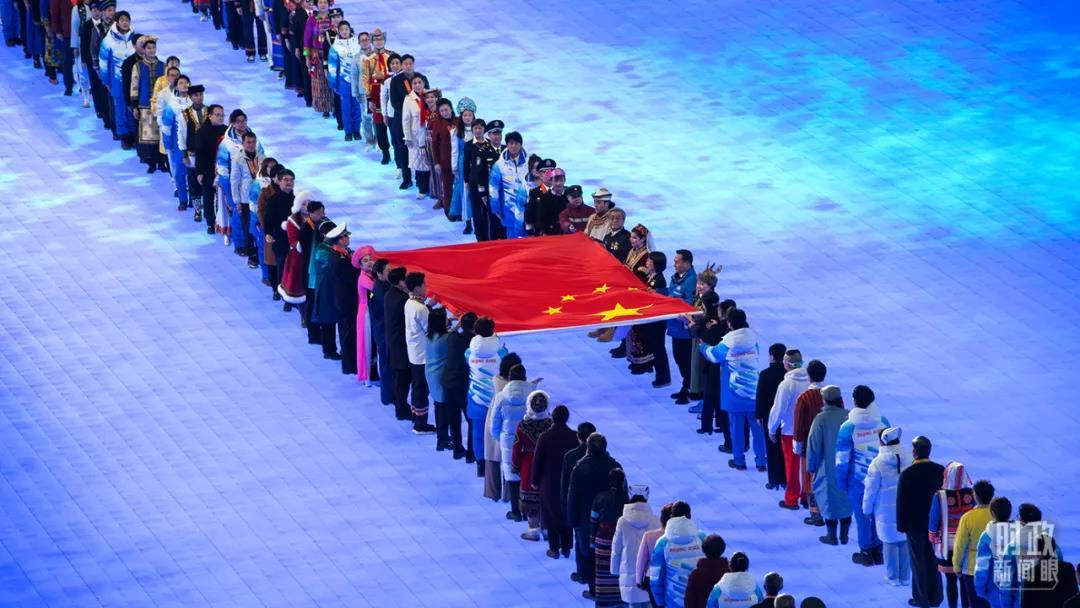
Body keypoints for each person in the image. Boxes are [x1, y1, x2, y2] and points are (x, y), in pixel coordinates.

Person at [701, 308, 765, 471]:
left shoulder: (727, 343)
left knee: (736, 429)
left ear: (729, 323)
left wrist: (703, 346)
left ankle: (739, 460)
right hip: (754, 391)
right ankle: (761, 462)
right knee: (758, 429)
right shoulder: (753, 339)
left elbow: (714, 355)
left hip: (734, 392)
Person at [836, 385, 889, 564]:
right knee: (878, 511)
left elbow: (842, 458)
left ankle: (866, 552)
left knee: (861, 515)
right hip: (881, 476)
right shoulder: (883, 422)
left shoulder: (848, 427)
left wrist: (841, 482)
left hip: (858, 479)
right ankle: (879, 550)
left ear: (854, 402)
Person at [567, 433, 622, 601]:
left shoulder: (580, 468)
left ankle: (593, 589)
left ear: (588, 448)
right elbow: (622, 492)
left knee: (589, 553)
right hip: (611, 518)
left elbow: (573, 496)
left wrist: (572, 519)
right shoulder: (614, 466)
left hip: (585, 518)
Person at [897, 436, 947, 608]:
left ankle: (921, 598)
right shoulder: (940, 470)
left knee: (918, 562)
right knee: (934, 560)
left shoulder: (907, 474)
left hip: (915, 526)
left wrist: (901, 525)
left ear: (914, 452)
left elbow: (901, 501)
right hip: (937, 524)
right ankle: (936, 597)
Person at [864, 426, 912, 587]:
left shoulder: (877, 463)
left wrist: (866, 509)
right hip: (906, 508)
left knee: (889, 543)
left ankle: (893, 577)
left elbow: (870, 490)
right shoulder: (908, 458)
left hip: (884, 511)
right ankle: (905, 576)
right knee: (904, 541)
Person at [806, 385, 851, 545]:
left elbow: (814, 445)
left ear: (824, 400)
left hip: (828, 468)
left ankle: (831, 536)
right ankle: (844, 536)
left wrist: (811, 466)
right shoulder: (848, 417)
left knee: (829, 501)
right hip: (848, 467)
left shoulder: (821, 419)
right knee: (846, 500)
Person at [532, 405, 579, 559]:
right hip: (568, 481)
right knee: (566, 512)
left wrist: (534, 480)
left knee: (550, 514)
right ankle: (566, 547)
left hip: (549, 481)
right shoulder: (574, 436)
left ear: (552, 417)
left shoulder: (545, 437)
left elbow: (537, 461)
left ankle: (554, 548)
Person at [929, 463, 976, 608]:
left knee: (950, 581)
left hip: (947, 545)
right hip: (967, 543)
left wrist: (932, 538)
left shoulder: (940, 496)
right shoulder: (971, 493)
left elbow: (934, 520)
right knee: (964, 580)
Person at [489, 362, 531, 518]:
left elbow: (494, 422)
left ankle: (515, 511)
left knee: (511, 472)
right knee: (527, 471)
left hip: (508, 440)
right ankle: (528, 511)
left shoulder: (501, 396)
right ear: (525, 377)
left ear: (509, 378)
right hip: (528, 439)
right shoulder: (532, 394)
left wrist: (499, 438)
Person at [466, 317, 507, 475]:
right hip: (495, 399)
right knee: (497, 432)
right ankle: (497, 464)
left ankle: (480, 465)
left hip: (476, 398)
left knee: (477, 433)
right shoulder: (501, 352)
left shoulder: (469, 352)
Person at [769, 349, 809, 510]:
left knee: (792, 466)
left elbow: (778, 409)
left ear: (787, 364)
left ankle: (791, 499)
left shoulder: (786, 385)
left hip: (790, 431)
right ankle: (807, 496)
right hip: (808, 430)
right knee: (807, 465)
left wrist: (772, 428)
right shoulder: (810, 380)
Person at [512, 389, 553, 540]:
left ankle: (533, 529)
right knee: (547, 497)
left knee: (530, 500)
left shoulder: (522, 426)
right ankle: (547, 529)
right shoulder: (552, 425)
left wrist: (516, 465)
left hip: (528, 465)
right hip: (548, 465)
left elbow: (516, 448)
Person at [650, 501, 707, 608]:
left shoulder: (663, 542)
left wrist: (659, 601)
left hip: (672, 600)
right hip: (699, 600)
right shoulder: (702, 537)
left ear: (671, 516)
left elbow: (656, 576)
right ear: (689, 516)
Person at [610, 484, 659, 608]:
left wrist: (614, 570)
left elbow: (616, 549)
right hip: (649, 576)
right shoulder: (655, 520)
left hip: (629, 575)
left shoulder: (622, 521)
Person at [793, 359, 828, 524]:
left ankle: (815, 514)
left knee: (809, 478)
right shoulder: (833, 395)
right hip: (828, 445)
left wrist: (797, 445)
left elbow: (799, 424)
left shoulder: (804, 397)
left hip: (809, 446)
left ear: (809, 376)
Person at [562, 422, 598, 579]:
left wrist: (567, 511)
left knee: (581, 541)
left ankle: (583, 573)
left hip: (581, 509)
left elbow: (566, 488)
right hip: (600, 510)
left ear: (579, 436)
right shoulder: (611, 462)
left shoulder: (571, 457)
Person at [591, 468, 630, 607]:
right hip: (621, 539)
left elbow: (593, 520)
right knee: (621, 568)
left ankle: (604, 601)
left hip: (603, 539)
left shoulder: (600, 498)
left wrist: (592, 540)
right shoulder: (627, 500)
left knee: (603, 572)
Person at [952, 481, 995, 608]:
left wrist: (957, 566)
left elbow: (960, 545)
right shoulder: (997, 516)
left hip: (972, 568)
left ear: (975, 496)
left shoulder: (967, 517)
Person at [388, 54, 428, 188]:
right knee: (404, 149)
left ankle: (421, 178)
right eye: (405, 64)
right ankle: (407, 178)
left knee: (421, 149)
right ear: (401, 65)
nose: (408, 66)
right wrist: (408, 111)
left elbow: (427, 97)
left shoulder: (422, 78)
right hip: (402, 120)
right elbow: (394, 102)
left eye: (410, 63)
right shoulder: (396, 81)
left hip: (420, 120)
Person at [403, 272, 435, 434]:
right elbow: (431, 330)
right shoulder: (421, 309)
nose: (425, 288)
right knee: (422, 389)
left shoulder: (409, 303)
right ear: (417, 288)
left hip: (414, 352)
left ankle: (416, 417)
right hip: (423, 355)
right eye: (424, 285)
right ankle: (420, 424)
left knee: (417, 387)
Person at [441, 311, 475, 460]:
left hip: (449, 383)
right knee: (471, 419)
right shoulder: (474, 343)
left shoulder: (452, 338)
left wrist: (458, 325)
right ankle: (471, 453)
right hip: (464, 385)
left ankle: (457, 449)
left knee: (454, 419)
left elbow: (451, 332)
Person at [310, 222, 347, 360]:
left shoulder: (336, 249)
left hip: (333, 289)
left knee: (334, 319)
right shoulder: (322, 250)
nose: (347, 239)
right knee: (328, 321)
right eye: (344, 236)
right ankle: (329, 350)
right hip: (326, 290)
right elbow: (338, 265)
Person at [97, 10, 134, 146]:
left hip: (133, 80)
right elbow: (103, 62)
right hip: (117, 80)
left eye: (127, 20)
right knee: (120, 109)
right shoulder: (108, 40)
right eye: (122, 20)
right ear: (117, 22)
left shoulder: (135, 38)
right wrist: (106, 80)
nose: (125, 23)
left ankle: (133, 133)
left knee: (132, 108)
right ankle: (124, 135)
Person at [128, 36, 165, 171]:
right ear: (144, 50)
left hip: (160, 106)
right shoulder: (138, 66)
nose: (151, 50)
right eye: (149, 48)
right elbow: (134, 86)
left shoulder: (163, 66)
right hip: (145, 105)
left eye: (153, 47)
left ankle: (162, 161)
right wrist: (134, 105)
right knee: (149, 136)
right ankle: (151, 162)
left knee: (160, 134)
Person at [667, 249, 698, 404]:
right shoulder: (676, 277)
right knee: (678, 358)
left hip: (684, 329)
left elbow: (690, 302)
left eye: (677, 261)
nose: (674, 264)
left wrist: (674, 302)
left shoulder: (691, 281)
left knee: (685, 361)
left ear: (687, 263)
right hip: (675, 326)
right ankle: (686, 386)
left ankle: (687, 389)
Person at [230, 132, 266, 265]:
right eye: (248, 142)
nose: (251, 145)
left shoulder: (262, 157)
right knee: (248, 228)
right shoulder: (238, 159)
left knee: (259, 227)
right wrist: (237, 201)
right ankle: (252, 255)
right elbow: (234, 180)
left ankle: (261, 253)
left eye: (253, 142)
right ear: (243, 143)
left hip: (259, 197)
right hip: (245, 199)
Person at [756, 343, 787, 491]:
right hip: (786, 416)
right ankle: (785, 478)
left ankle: (774, 479)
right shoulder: (787, 374)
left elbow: (760, 396)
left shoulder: (765, 374)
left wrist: (759, 414)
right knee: (785, 448)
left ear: (772, 356)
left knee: (772, 447)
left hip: (770, 415)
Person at [194, 105, 229, 236]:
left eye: (222, 115)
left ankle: (222, 222)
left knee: (223, 197)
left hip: (223, 170)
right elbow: (199, 153)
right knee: (208, 197)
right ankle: (210, 222)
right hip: (208, 169)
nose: (220, 117)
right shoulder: (202, 132)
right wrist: (199, 172)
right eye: (217, 115)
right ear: (209, 116)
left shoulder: (226, 131)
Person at [383, 266, 413, 421]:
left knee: (399, 380)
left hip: (394, 343)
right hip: (401, 346)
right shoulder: (403, 299)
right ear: (401, 282)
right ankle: (401, 409)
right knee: (403, 380)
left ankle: (401, 406)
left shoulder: (390, 294)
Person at [360, 30, 393, 164]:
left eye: (381, 39)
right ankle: (385, 152)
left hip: (391, 92)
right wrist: (369, 98)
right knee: (379, 125)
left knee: (395, 125)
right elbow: (365, 78)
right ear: (372, 42)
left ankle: (399, 152)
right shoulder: (367, 58)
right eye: (376, 40)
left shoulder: (391, 55)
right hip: (376, 94)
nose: (379, 42)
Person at [488, 130, 529, 239]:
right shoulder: (499, 165)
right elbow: (493, 188)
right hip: (509, 208)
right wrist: (496, 208)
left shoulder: (529, 163)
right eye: (511, 143)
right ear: (507, 145)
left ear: (521, 145)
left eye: (516, 143)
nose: (514, 146)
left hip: (527, 208)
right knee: (512, 240)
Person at [160, 74, 193, 211]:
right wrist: (168, 145)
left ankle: (194, 199)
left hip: (193, 145)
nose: (184, 85)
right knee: (180, 173)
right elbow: (166, 128)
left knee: (193, 173)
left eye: (186, 82)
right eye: (181, 83)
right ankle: (183, 199)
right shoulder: (171, 106)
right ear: (177, 87)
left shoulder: (194, 103)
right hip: (178, 145)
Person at [973, 497, 1013, 608]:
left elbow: (982, 566)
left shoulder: (987, 536)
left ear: (992, 513)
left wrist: (979, 589)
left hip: (995, 589)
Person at [263, 167, 295, 301]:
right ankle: (280, 291)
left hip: (295, 239)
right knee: (281, 265)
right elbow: (268, 219)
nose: (289, 183)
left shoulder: (297, 200)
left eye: (291, 180)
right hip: (281, 238)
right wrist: (268, 233)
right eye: (286, 180)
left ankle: (293, 293)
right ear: (279, 182)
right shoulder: (273, 200)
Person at [327, 19, 361, 141]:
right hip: (343, 81)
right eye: (342, 30)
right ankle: (348, 132)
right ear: (339, 32)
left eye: (346, 29)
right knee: (346, 108)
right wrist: (333, 83)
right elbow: (332, 66)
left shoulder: (357, 44)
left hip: (357, 81)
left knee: (357, 107)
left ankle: (357, 130)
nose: (344, 31)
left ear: (350, 30)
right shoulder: (335, 47)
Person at [468, 119, 503, 241]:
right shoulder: (483, 152)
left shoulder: (506, 151)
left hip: (505, 191)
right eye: (494, 134)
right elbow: (479, 175)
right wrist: (483, 194)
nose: (497, 136)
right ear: (489, 135)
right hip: (490, 192)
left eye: (499, 133)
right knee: (491, 220)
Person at [332, 235, 361, 376]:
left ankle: (350, 362)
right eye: (345, 237)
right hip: (346, 301)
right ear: (339, 240)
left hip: (344, 300)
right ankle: (349, 365)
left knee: (347, 331)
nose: (348, 238)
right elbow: (351, 276)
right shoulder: (340, 260)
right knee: (348, 333)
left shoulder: (341, 254)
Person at [277, 192, 312, 307]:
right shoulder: (293, 221)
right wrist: (303, 244)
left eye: (308, 203)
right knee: (295, 279)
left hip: (311, 254)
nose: (306, 206)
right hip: (297, 256)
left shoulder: (314, 218)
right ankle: (292, 301)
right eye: (304, 204)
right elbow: (292, 240)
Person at [181, 85, 210, 223]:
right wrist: (184, 154)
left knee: (208, 181)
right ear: (190, 97)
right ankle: (197, 210)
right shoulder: (185, 114)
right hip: (192, 153)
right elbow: (182, 134)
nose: (199, 97)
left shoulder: (210, 111)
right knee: (193, 182)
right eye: (196, 95)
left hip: (208, 153)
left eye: (200, 95)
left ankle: (210, 208)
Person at [348, 245, 376, 383]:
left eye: (370, 259)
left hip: (370, 311)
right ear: (360, 265)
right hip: (365, 313)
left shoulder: (370, 275)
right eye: (365, 261)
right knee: (367, 343)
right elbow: (375, 289)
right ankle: (367, 376)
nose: (369, 262)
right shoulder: (364, 278)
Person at [637, 502, 676, 599]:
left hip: (652, 577)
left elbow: (641, 560)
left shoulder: (649, 536)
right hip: (674, 577)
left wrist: (639, 580)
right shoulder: (682, 538)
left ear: (661, 519)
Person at [424, 305, 451, 446]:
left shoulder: (429, 336)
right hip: (440, 376)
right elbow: (453, 338)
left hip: (431, 374)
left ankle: (442, 437)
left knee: (438, 405)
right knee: (443, 409)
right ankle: (442, 439)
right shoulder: (444, 339)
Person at [302, 0, 333, 117]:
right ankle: (324, 108)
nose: (323, 5)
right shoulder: (312, 19)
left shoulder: (333, 17)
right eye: (320, 2)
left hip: (333, 54)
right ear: (316, 4)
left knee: (333, 79)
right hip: (318, 55)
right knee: (320, 81)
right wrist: (307, 56)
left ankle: (335, 106)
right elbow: (306, 39)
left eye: (325, 2)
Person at [449, 97, 477, 226]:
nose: (467, 117)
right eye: (465, 115)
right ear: (461, 116)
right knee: (465, 190)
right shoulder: (456, 132)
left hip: (476, 162)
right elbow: (454, 151)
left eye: (469, 115)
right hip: (462, 163)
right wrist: (454, 167)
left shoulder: (478, 129)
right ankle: (467, 221)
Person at [370, 259, 393, 404]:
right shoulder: (381, 289)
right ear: (379, 274)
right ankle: (387, 396)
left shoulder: (383, 285)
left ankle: (389, 395)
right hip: (383, 332)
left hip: (383, 331)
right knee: (386, 364)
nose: (390, 273)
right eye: (388, 271)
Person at [685, 534, 730, 608]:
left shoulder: (696, 575)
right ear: (723, 549)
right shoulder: (729, 573)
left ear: (703, 550)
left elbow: (689, 601)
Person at [428, 97, 456, 214]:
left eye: (446, 109)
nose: (445, 112)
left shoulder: (458, 122)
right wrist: (437, 163)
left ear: (451, 109)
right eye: (442, 111)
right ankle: (449, 210)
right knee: (447, 185)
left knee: (459, 185)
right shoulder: (437, 124)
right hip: (445, 160)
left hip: (458, 159)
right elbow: (434, 145)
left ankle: (459, 209)